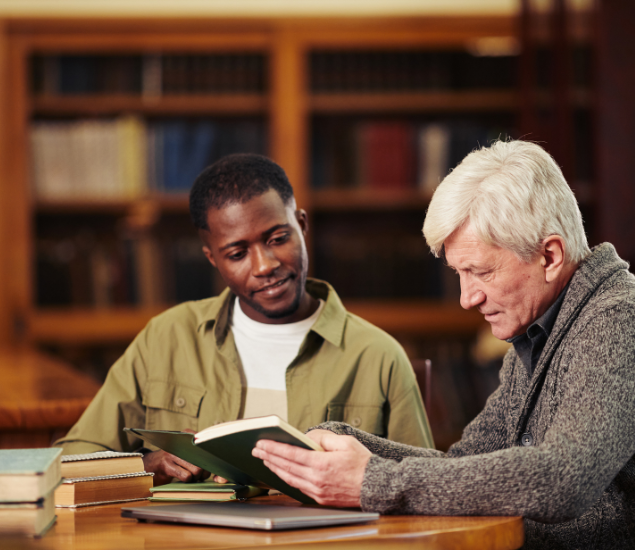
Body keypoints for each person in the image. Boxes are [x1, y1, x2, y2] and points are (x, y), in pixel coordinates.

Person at [252, 140, 635, 549]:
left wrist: (371, 480)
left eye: (481, 272)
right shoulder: (541, 329)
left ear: (550, 255)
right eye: (459, 274)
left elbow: (562, 480)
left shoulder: (625, 325)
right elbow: (463, 468)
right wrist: (346, 442)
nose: (468, 298)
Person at [56, 153, 433, 484]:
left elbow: (420, 485)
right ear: (212, 260)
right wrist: (147, 463)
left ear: (302, 225)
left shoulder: (378, 356)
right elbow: (72, 459)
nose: (265, 265)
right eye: (237, 254)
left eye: (277, 238)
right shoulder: (166, 338)